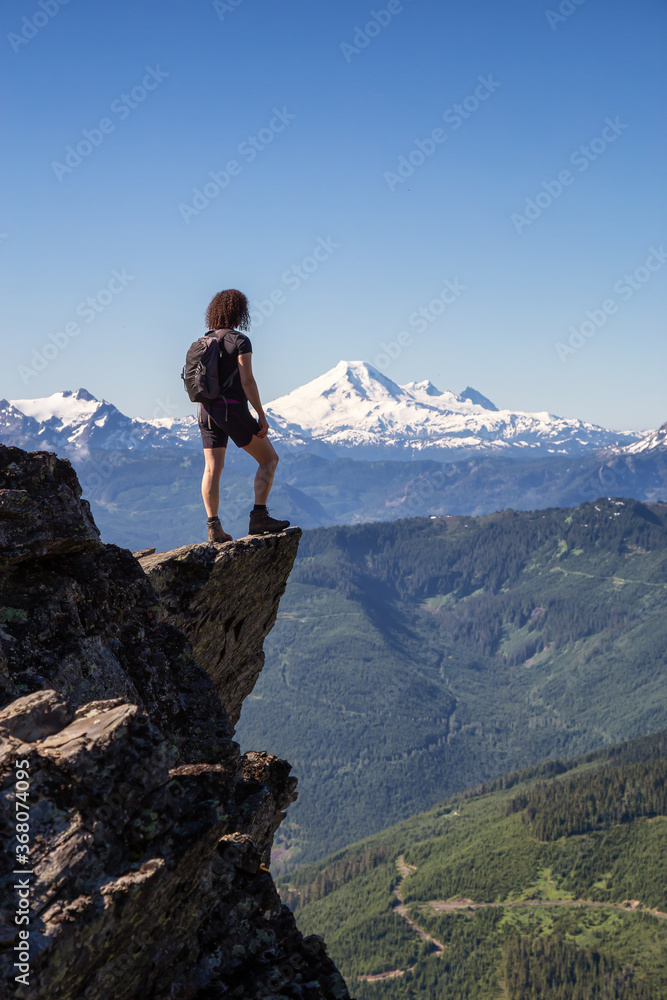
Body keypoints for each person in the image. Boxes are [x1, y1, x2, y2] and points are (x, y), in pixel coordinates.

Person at [198, 288, 290, 542]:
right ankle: (259, 517)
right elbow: (247, 380)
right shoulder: (240, 341)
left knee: (212, 469)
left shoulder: (202, 341)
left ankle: (213, 527)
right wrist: (261, 414)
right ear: (239, 312)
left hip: (205, 411)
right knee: (269, 460)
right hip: (231, 409)